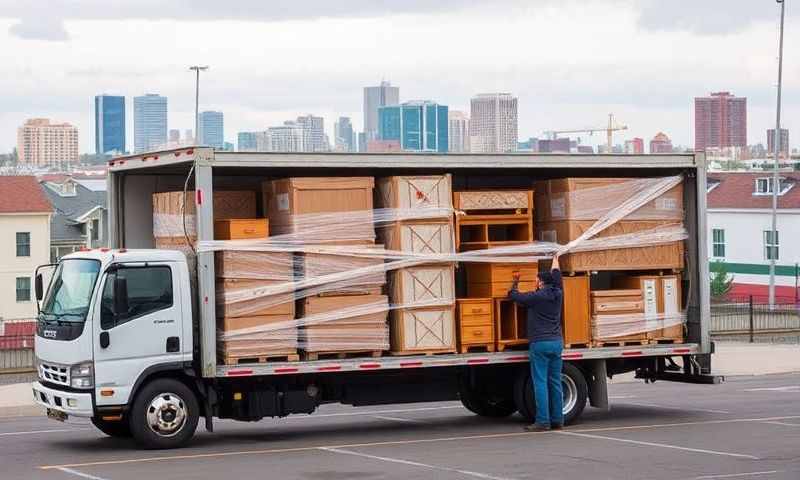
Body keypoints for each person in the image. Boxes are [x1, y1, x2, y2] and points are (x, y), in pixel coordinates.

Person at [508, 255, 564, 432]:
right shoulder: (558, 293)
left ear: (540, 282)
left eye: (536, 280)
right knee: (555, 381)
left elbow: (514, 296)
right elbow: (557, 275)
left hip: (540, 343)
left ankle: (543, 421)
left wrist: (515, 282)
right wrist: (556, 258)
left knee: (540, 382)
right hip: (556, 343)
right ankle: (558, 420)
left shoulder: (535, 297)